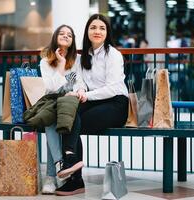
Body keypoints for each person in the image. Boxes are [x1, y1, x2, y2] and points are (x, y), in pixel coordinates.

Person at [55, 13, 128, 196]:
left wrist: (86, 95)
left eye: (102, 28)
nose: (97, 31)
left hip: (116, 104)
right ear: (87, 31)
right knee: (68, 115)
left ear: (107, 32)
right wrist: (80, 91)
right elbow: (80, 81)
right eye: (93, 27)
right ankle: (72, 166)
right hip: (94, 100)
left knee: (73, 122)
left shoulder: (113, 55)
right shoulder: (83, 57)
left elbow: (112, 89)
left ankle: (74, 174)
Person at [39, 24, 84, 195]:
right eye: (62, 33)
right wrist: (61, 64)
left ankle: (52, 175)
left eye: (69, 35)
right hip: (52, 102)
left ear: (72, 41)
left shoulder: (78, 60)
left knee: (55, 118)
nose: (66, 36)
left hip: (71, 104)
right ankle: (59, 168)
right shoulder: (45, 61)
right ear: (55, 37)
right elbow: (50, 89)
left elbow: (80, 81)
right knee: (51, 118)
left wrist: (80, 90)